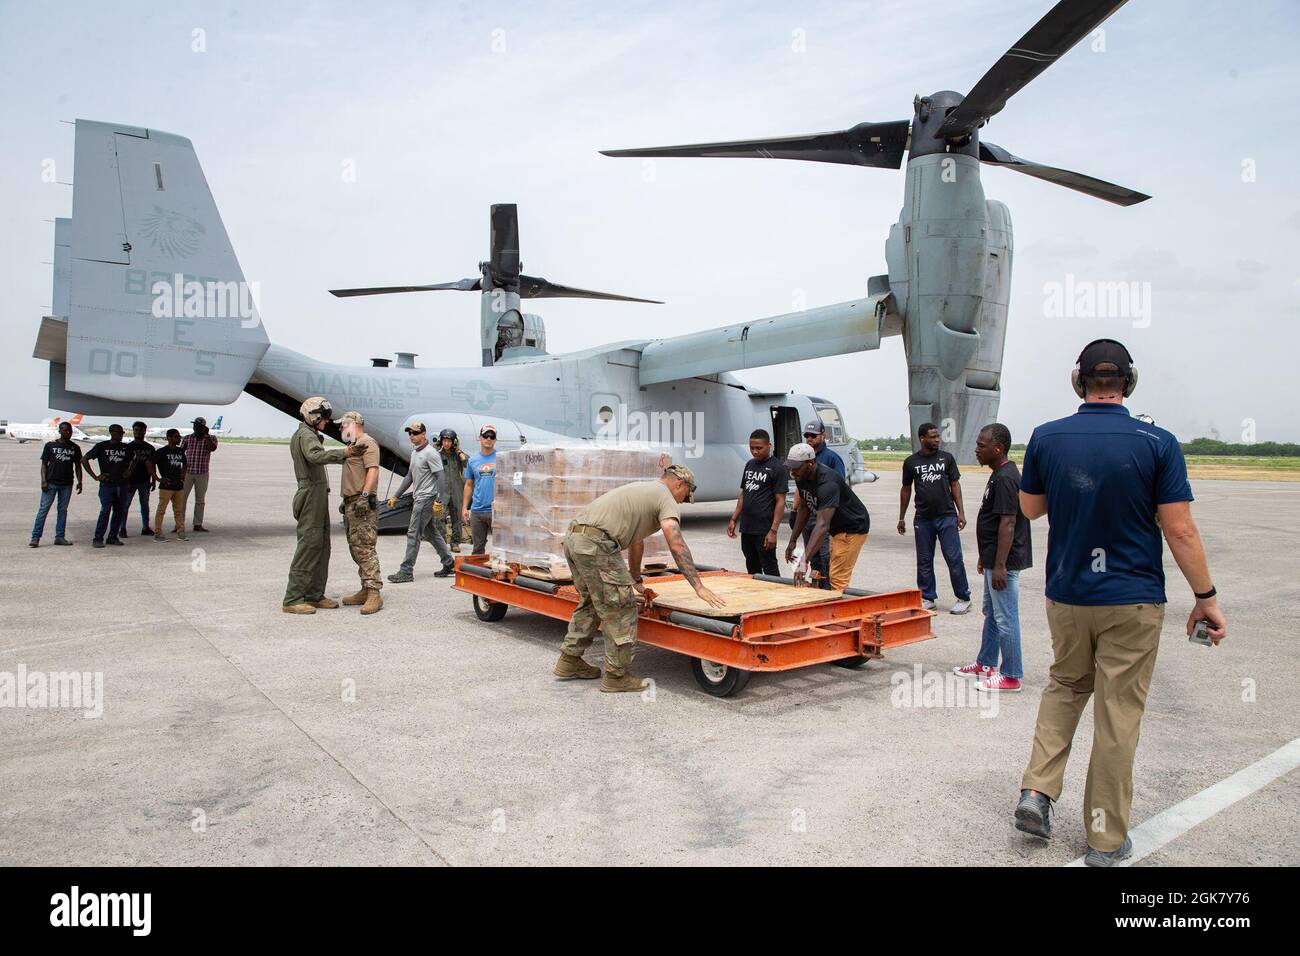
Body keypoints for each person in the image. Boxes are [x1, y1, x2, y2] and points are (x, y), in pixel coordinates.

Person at [1012, 340, 1228, 867]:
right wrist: (1206, 598)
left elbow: (1031, 509)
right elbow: (1179, 528)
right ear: (1128, 382)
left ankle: (1037, 791)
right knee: (1117, 714)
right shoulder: (1158, 442)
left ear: (1077, 381)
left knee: (1064, 687)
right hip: (1132, 599)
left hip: (1068, 594)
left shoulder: (1046, 436)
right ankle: (1104, 841)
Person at [554, 464, 726, 692]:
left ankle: (569, 661)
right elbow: (676, 543)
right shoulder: (664, 497)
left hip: (576, 539)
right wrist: (698, 586)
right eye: (686, 496)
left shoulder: (644, 492)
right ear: (679, 484)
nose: (682, 502)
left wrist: (635, 579)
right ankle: (616, 677)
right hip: (597, 545)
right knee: (621, 609)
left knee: (592, 604)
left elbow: (636, 541)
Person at [953, 423, 1031, 692]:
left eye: (981, 445)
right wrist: (986, 559)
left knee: (1006, 617)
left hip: (1004, 564)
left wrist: (999, 565)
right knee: (993, 613)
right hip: (993, 560)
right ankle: (986, 663)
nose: (977, 449)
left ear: (997, 449)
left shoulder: (1007, 478)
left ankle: (1011, 675)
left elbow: (1008, 523)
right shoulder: (999, 473)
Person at [282, 397, 362, 615]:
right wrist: (344, 453)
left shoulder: (311, 434)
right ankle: (293, 598)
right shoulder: (305, 436)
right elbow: (315, 456)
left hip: (317, 495)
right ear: (314, 417)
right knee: (308, 546)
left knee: (322, 546)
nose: (326, 423)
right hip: (310, 496)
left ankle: (315, 594)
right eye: (324, 419)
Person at [898, 422, 972, 614]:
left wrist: (961, 512)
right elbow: (906, 490)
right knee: (924, 560)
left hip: (946, 517)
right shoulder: (911, 462)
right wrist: (901, 517)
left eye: (938, 436)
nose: (937, 439)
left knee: (954, 558)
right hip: (923, 519)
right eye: (933, 436)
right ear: (922, 438)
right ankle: (928, 597)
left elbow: (955, 485)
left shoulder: (946, 458)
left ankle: (963, 597)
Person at [784, 443, 870, 590]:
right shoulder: (801, 477)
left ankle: (840, 611)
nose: (793, 472)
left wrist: (804, 562)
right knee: (831, 573)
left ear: (810, 463)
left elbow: (822, 525)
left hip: (852, 528)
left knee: (837, 580)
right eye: (791, 467)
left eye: (796, 467)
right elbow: (804, 507)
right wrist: (792, 540)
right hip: (836, 529)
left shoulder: (827, 482)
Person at [387, 420, 455, 583]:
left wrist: (439, 499)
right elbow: (410, 476)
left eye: (415, 433)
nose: (412, 436)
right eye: (410, 433)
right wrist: (396, 495)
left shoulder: (431, 453)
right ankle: (449, 562)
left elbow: (440, 476)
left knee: (413, 533)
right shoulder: (415, 452)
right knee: (430, 532)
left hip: (426, 498)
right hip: (420, 496)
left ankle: (406, 571)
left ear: (424, 434)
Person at [789, 420, 845, 589]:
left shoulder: (832, 459)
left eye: (813, 435)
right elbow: (802, 491)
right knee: (814, 557)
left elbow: (838, 488)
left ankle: (827, 591)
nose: (809, 438)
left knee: (826, 557)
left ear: (823, 436)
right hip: (809, 516)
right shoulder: (800, 457)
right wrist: (794, 509)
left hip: (825, 516)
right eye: (806, 435)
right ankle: (816, 588)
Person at [337, 411, 383, 615]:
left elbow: (373, 470)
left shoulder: (367, 443)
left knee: (364, 546)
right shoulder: (353, 446)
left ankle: (374, 592)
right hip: (351, 502)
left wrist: (364, 496)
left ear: (354, 423)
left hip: (362, 502)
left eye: (343, 425)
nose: (341, 428)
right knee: (355, 546)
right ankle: (365, 587)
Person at [727, 429, 787, 575]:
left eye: (759, 448)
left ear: (769, 445)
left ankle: (775, 596)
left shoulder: (777, 468)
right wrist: (734, 518)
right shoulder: (749, 465)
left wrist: (773, 531)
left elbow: (780, 501)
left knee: (769, 567)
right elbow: (744, 493)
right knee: (752, 567)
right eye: (752, 448)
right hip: (747, 527)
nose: (755, 451)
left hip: (764, 529)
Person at [30, 420, 83, 547]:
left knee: (62, 510)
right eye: (64, 430)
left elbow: (78, 466)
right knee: (43, 510)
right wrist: (43, 481)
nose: (67, 432)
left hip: (67, 484)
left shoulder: (75, 447)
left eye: (69, 430)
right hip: (51, 483)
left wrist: (80, 481)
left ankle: (59, 537)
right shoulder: (50, 446)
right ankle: (35, 537)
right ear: (59, 431)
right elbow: (44, 464)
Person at [83, 424, 132, 548]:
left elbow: (135, 458)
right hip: (107, 485)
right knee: (105, 511)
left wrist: (129, 470)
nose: (121, 435)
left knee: (119, 511)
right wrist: (95, 476)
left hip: (122, 485)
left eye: (122, 433)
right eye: (119, 432)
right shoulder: (102, 446)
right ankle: (98, 538)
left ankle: (112, 537)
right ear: (112, 432)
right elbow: (84, 459)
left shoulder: (126, 447)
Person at [114, 421, 155, 539]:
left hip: (145, 480)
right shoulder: (128, 447)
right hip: (130, 481)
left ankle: (145, 527)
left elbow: (152, 464)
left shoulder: (149, 448)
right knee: (125, 505)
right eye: (135, 430)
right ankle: (122, 528)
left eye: (140, 430)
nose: (137, 432)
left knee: (145, 505)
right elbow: (124, 465)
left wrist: (154, 478)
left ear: (144, 431)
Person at [462, 424, 498, 555]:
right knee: (477, 549)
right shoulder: (473, 460)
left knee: (500, 550)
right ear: (480, 438)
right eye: (485, 435)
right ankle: (478, 574)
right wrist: (465, 508)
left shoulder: (501, 458)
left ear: (495, 439)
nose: (488, 438)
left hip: (496, 511)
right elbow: (469, 484)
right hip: (477, 511)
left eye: (492, 436)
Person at [148, 429, 189, 541]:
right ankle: (158, 533)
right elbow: (149, 463)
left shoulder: (180, 451)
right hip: (166, 486)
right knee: (161, 510)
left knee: (178, 510)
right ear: (169, 438)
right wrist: (157, 478)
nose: (179, 439)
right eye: (176, 437)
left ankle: (181, 531)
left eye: (179, 437)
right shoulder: (162, 451)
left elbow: (185, 464)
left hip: (178, 485)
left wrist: (183, 475)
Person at [179, 416, 218, 533]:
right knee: (182, 499)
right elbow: (181, 453)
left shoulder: (211, 438)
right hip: (188, 473)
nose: (195, 427)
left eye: (198, 426)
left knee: (200, 500)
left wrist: (206, 436)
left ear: (204, 428)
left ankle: (197, 524)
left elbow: (213, 448)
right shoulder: (187, 438)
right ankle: (179, 524)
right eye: (194, 425)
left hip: (202, 473)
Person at [438, 428, 469, 551]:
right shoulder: (437, 455)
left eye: (449, 441)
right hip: (442, 491)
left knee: (456, 516)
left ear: (454, 442)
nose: (447, 443)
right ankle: (440, 543)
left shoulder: (458, 456)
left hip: (456, 490)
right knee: (439, 517)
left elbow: (467, 463)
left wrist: (459, 451)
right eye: (444, 440)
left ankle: (455, 543)